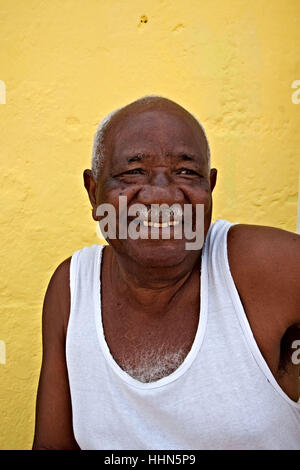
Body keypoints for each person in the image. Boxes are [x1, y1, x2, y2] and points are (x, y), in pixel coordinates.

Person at [32, 95, 300, 450]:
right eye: (133, 172)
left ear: (210, 187)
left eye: (187, 172)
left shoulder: (270, 268)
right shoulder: (73, 289)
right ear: (94, 191)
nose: (161, 197)